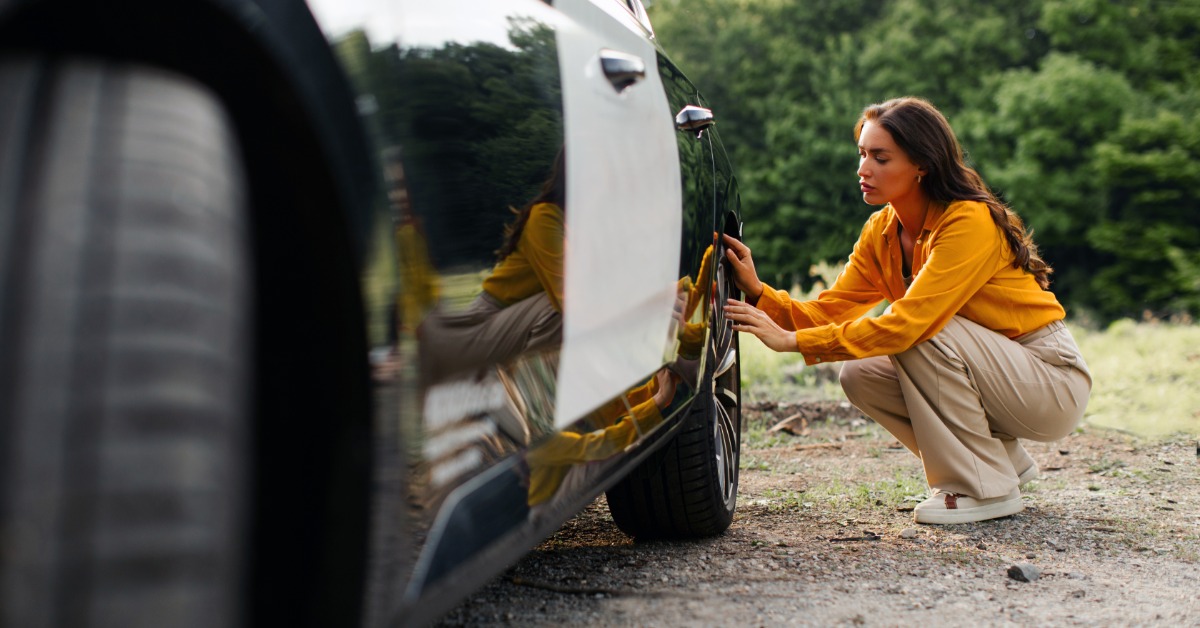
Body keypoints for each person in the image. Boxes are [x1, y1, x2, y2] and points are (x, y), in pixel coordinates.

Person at [722, 97, 1092, 525]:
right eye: (862, 154)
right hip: (992, 372)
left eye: (880, 157)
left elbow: (911, 324)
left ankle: (983, 489)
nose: (864, 169)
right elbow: (831, 311)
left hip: (1048, 379)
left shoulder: (968, 221)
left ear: (922, 164)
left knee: (917, 330)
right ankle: (998, 461)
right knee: (861, 374)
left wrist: (793, 342)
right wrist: (759, 292)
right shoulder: (881, 231)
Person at [418, 148, 565, 386]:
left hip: (516, 323)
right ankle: (530, 389)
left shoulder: (583, 223)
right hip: (487, 321)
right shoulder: (546, 216)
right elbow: (566, 297)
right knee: (566, 310)